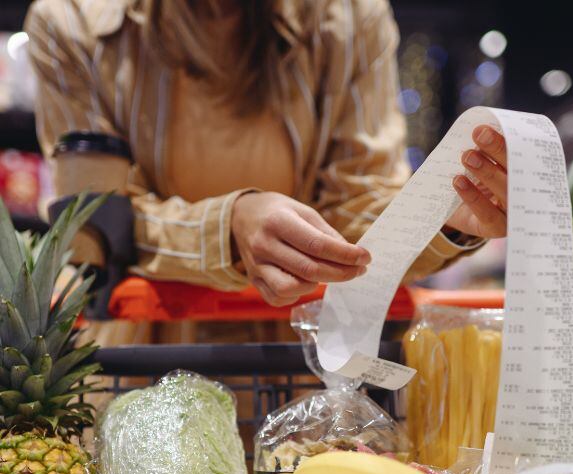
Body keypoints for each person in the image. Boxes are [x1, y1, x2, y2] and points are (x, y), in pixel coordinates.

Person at [26, 0, 510, 306]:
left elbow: (358, 208)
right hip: (146, 362)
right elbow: (95, 227)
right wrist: (229, 227)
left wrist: (443, 216)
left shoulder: (350, 17)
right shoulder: (71, 23)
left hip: (305, 368)